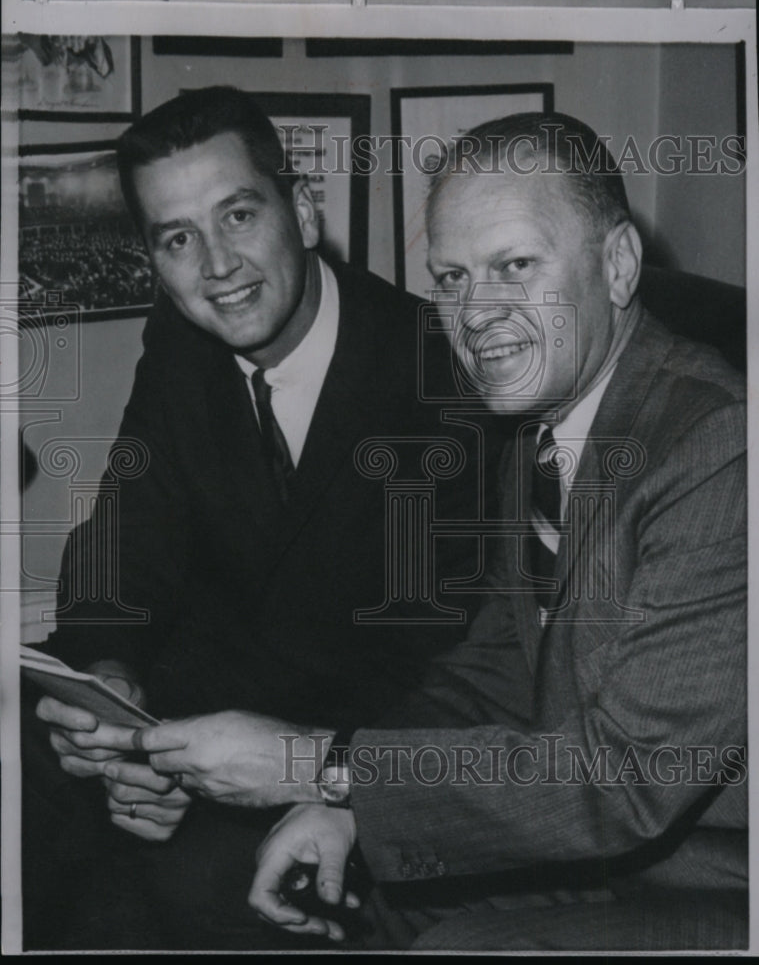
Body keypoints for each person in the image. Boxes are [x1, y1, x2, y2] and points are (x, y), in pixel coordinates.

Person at [134, 111, 745, 951]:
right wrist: (345, 803)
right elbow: (492, 671)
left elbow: (626, 778)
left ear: (617, 264)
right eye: (451, 278)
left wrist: (320, 763)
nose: (475, 314)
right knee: (249, 889)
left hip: (714, 880)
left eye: (515, 266)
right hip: (590, 854)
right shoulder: (537, 424)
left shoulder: (718, 446)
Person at [23, 86, 500, 950]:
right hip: (190, 713)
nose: (216, 265)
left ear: (303, 211)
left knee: (182, 886)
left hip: (338, 748)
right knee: (29, 764)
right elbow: (124, 539)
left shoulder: (439, 373)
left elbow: (448, 666)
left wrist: (203, 767)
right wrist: (112, 691)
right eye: (178, 238)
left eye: (238, 214)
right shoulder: (180, 339)